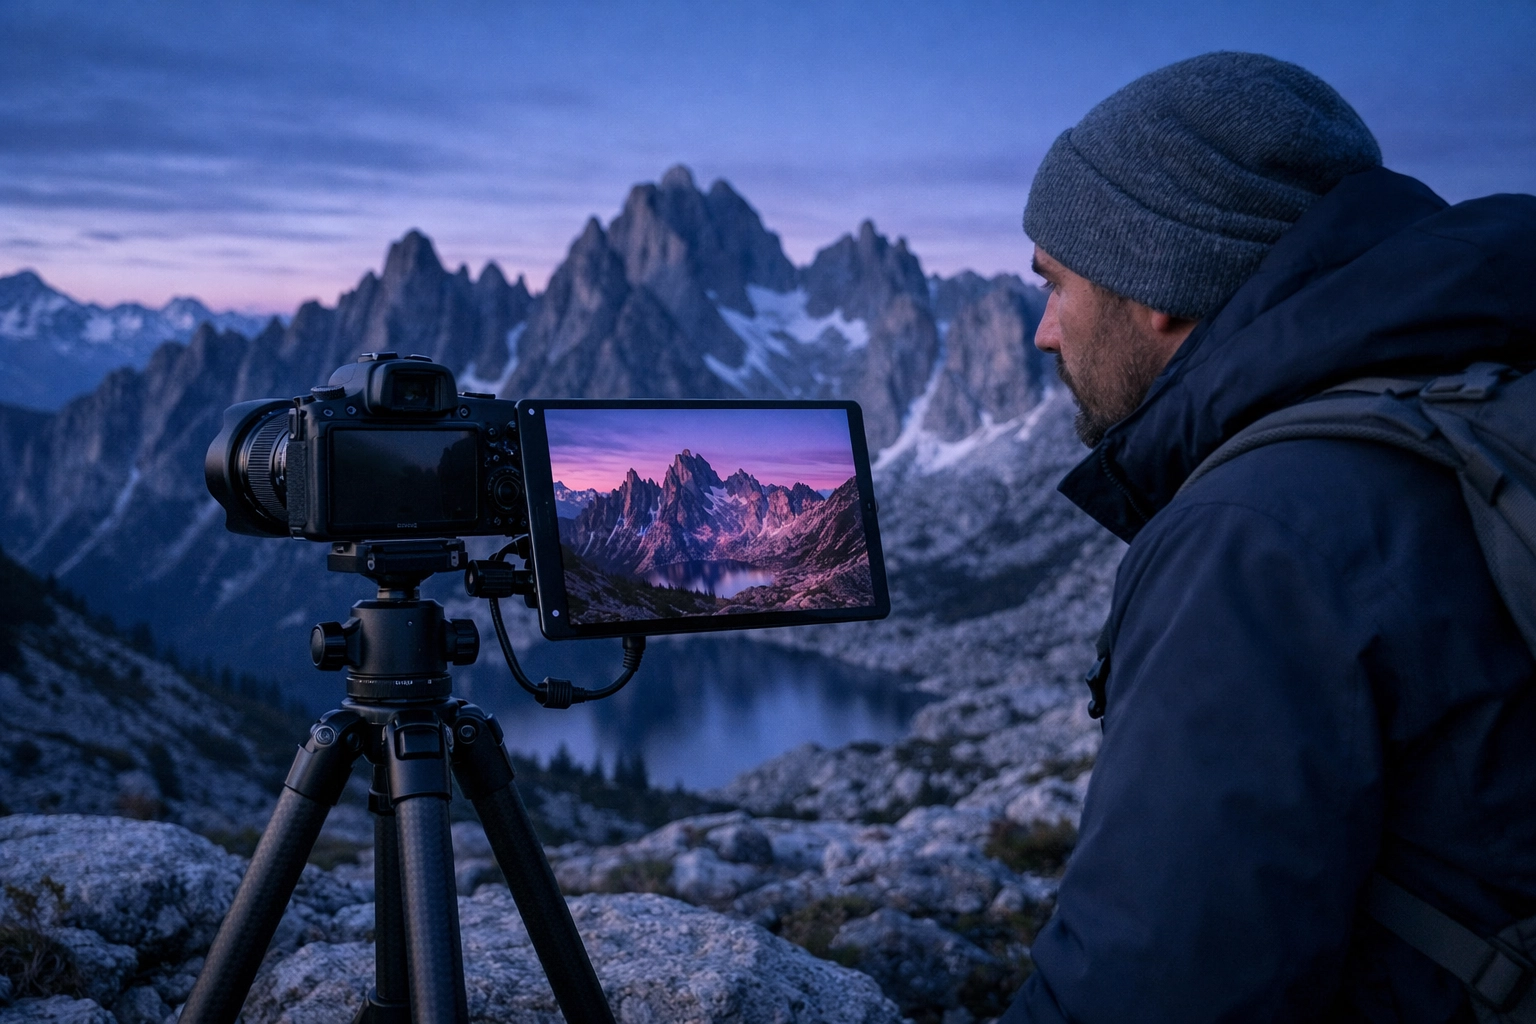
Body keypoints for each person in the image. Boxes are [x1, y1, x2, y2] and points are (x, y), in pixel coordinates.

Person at [999, 52, 1536, 1022]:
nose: (1043, 333)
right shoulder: (1479, 384)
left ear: (1157, 280)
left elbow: (1149, 990)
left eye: (1057, 285)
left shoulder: (1255, 534)